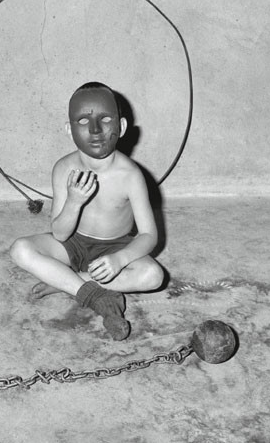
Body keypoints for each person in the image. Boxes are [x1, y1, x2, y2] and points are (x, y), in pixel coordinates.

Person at [10, 82, 163, 340]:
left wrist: (120, 259)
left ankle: (66, 282)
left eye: (105, 119)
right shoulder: (63, 168)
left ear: (122, 126)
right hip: (72, 243)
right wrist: (74, 202)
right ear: (69, 130)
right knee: (20, 250)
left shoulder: (130, 175)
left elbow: (149, 235)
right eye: (83, 121)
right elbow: (59, 234)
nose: (95, 130)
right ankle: (92, 295)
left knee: (154, 276)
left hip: (114, 247)